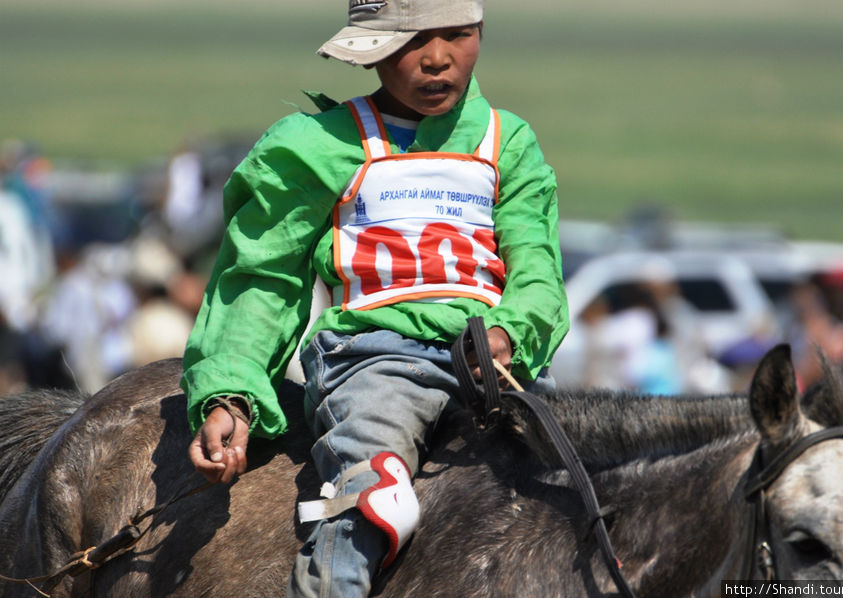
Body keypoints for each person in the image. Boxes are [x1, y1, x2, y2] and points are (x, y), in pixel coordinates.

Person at [181, 1, 569, 596]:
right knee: (372, 497)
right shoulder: (316, 144)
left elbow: (537, 272)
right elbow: (259, 279)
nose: (438, 59)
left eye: (459, 36)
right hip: (373, 361)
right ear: (374, 51)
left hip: (489, 367)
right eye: (413, 40)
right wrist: (229, 394)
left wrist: (508, 332)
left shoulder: (507, 141)